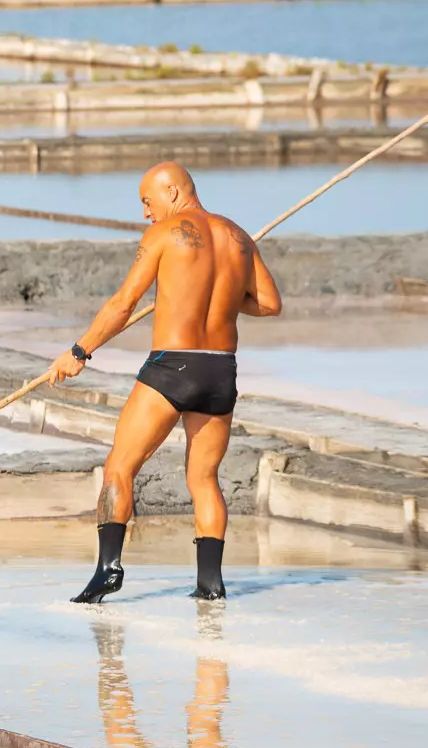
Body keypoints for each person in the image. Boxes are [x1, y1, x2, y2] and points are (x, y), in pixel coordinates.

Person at [49, 162, 282, 604]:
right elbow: (269, 303)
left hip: (172, 365)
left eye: (147, 201)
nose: (145, 214)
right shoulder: (238, 237)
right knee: (204, 478)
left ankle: (107, 571)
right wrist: (224, 297)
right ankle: (210, 584)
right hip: (220, 369)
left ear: (172, 192)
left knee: (119, 466)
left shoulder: (163, 235)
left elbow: (122, 304)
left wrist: (79, 352)